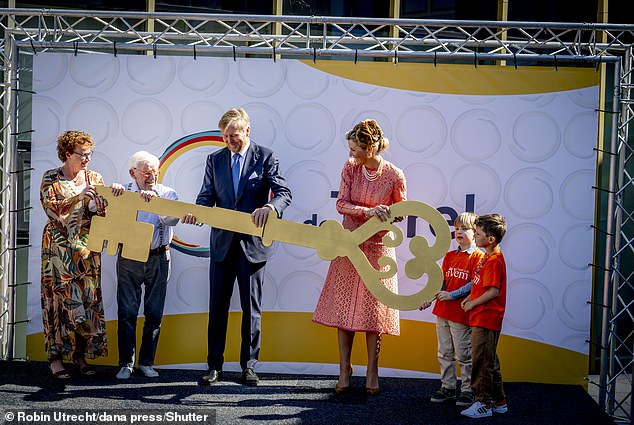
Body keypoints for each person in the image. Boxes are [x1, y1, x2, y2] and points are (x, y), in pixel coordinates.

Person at [182, 108, 291, 386]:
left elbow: (284, 193)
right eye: (225, 136)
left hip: (252, 248)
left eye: (234, 135)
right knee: (216, 307)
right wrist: (198, 213)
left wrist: (270, 207)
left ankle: (249, 366)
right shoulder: (214, 159)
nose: (229, 140)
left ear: (247, 131)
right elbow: (206, 196)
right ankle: (214, 366)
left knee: (250, 309)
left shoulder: (265, 156)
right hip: (221, 245)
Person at [312, 119, 406, 395]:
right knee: (343, 309)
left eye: (354, 149)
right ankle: (344, 369)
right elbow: (341, 204)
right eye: (350, 149)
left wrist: (387, 213)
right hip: (349, 244)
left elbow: (401, 212)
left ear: (371, 147)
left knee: (373, 312)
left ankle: (372, 371)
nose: (351, 154)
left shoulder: (395, 175)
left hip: (378, 248)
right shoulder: (350, 167)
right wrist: (367, 211)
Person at [40, 130, 121, 379]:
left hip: (87, 248)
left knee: (87, 301)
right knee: (58, 301)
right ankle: (56, 358)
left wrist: (109, 198)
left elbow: (102, 212)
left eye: (89, 154)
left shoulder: (94, 177)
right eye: (82, 155)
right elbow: (52, 210)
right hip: (58, 250)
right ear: (67, 154)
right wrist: (78, 197)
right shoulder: (51, 178)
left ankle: (80, 355)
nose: (87, 159)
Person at [114, 151, 180, 380]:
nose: (151, 175)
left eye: (154, 170)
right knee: (127, 312)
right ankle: (126, 364)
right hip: (129, 257)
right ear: (133, 173)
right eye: (145, 171)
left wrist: (156, 202)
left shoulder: (168, 193)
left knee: (154, 314)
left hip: (159, 257)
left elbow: (173, 220)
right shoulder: (122, 191)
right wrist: (117, 198)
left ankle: (146, 362)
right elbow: (102, 211)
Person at [420, 212, 484, 407]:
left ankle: (467, 390)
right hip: (443, 312)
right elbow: (441, 283)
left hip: (461, 313)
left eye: (464, 229)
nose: (459, 232)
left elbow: (475, 284)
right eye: (456, 229)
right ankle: (447, 387)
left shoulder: (478, 256)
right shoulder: (448, 256)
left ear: (475, 232)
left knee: (463, 354)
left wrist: (453, 295)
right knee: (444, 352)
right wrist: (429, 298)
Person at [460, 213, 508, 418]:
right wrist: (470, 296)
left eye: (478, 233)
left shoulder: (494, 260)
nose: (475, 236)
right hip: (481, 316)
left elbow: (492, 292)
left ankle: (483, 404)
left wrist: (471, 304)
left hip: (486, 318)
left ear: (491, 239)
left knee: (481, 362)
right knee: (489, 361)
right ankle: (499, 401)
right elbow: (481, 286)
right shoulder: (487, 257)